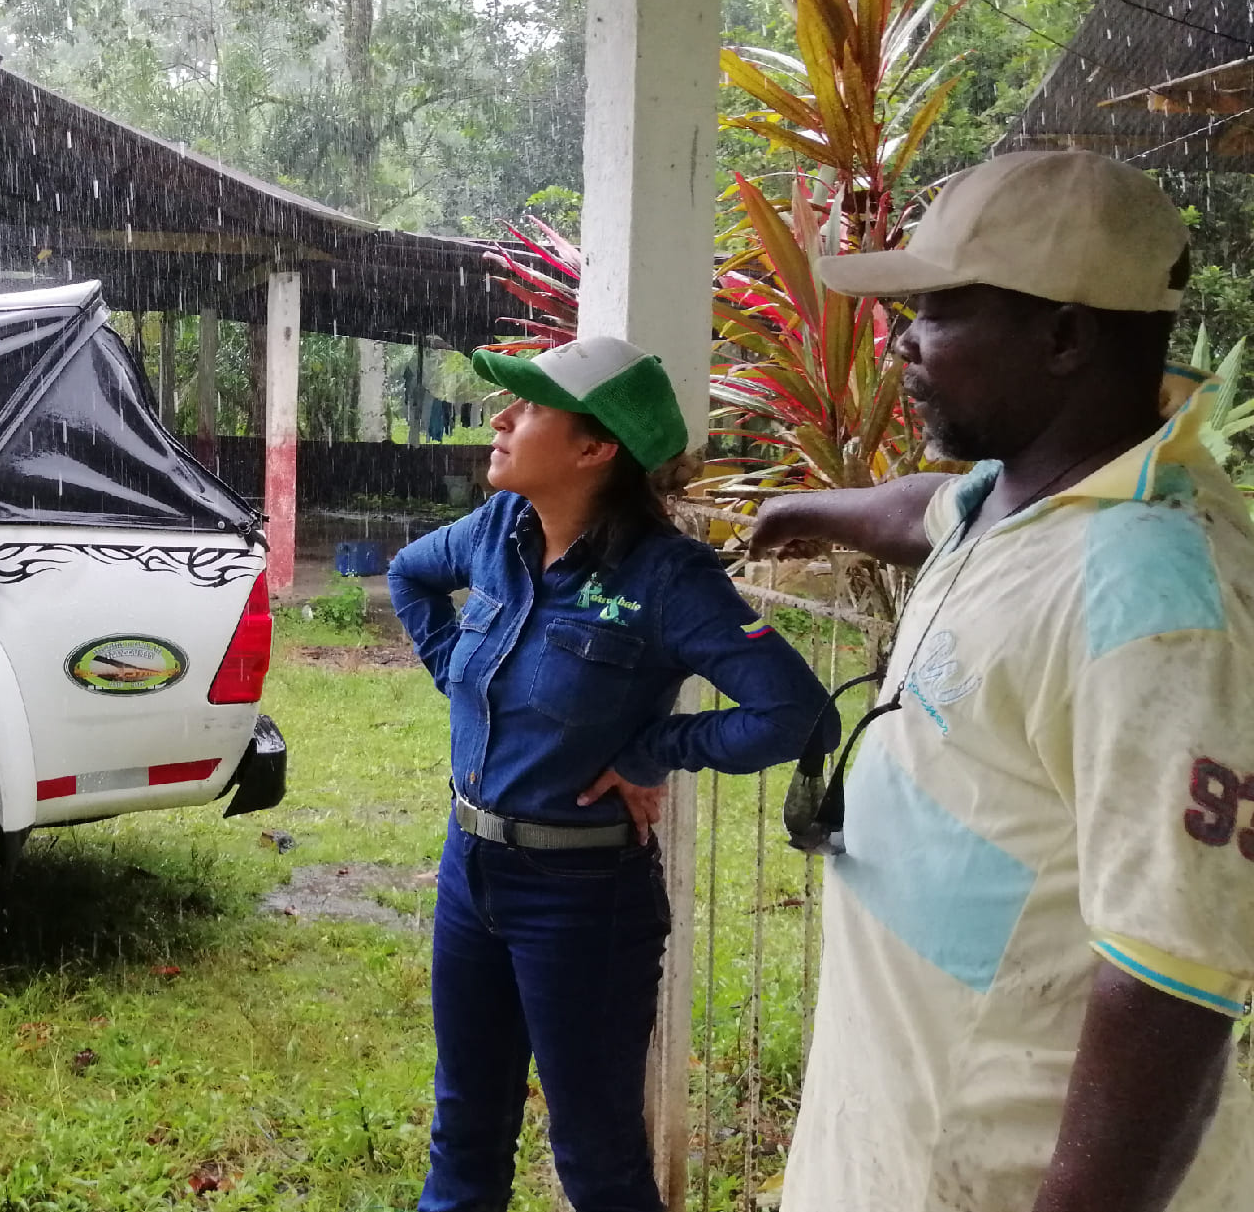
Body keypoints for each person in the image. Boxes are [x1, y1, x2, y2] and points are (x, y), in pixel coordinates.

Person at [753, 150, 1254, 1212]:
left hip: (1005, 1173)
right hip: (899, 1135)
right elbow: (920, 510)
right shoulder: (1020, 499)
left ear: (1064, 337)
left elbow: (1174, 984)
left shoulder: (1155, 601)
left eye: (937, 312)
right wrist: (798, 512)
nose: (903, 343)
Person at [388, 336, 837, 1212]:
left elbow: (799, 713)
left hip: (582, 897)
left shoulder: (665, 578)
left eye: (530, 406)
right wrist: (460, 679)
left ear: (596, 448)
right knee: (464, 1128)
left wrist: (647, 750)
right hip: (469, 869)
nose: (501, 419)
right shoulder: (499, 530)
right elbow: (410, 575)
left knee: (597, 1160)